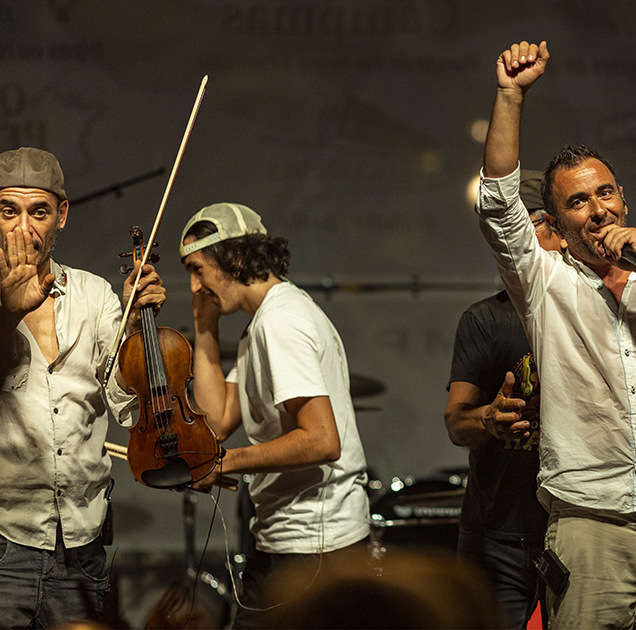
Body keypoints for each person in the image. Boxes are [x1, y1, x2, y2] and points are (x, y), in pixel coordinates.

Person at [476, 41, 636, 628]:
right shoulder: (543, 279)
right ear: (558, 226)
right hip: (590, 516)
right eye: (578, 201)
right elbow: (495, 204)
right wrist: (511, 96)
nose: (598, 209)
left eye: (606, 192)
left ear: (624, 198)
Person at [178, 202, 371, 629]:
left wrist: (225, 462)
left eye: (197, 269)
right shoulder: (263, 322)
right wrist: (204, 326)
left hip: (313, 548)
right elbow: (216, 421)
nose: (193, 286)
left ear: (238, 258)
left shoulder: (280, 322)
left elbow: (322, 439)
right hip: (291, 543)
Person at [0, 146, 165, 627]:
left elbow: (125, 405)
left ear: (62, 216)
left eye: (39, 212)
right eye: (8, 210)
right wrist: (8, 311)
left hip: (82, 542)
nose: (23, 228)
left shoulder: (94, 296)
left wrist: (135, 330)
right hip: (6, 540)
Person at [444, 170, 560, 629]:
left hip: (571, 531)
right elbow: (456, 423)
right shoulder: (483, 321)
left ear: (549, 228)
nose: (502, 243)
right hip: (497, 535)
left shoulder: (591, 312)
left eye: (513, 229)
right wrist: (489, 420)